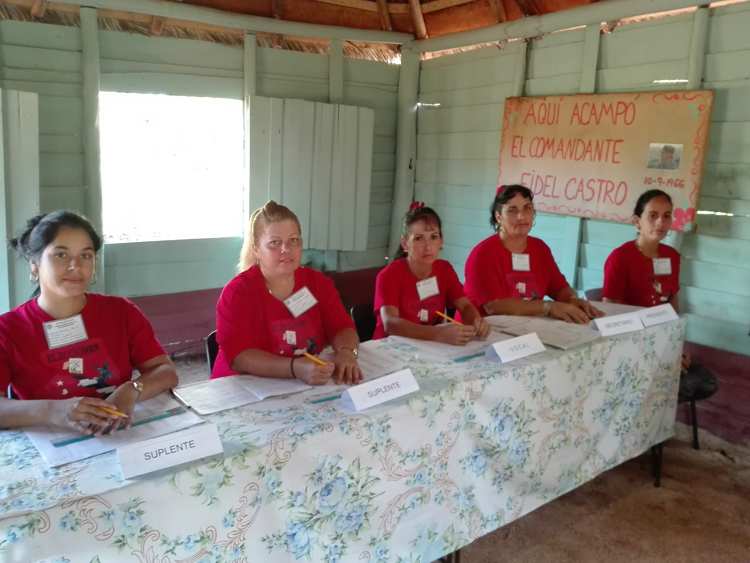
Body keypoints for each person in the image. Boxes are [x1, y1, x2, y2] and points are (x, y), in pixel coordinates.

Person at [0, 211, 178, 432]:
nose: (76, 266)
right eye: (61, 255)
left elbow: (166, 371)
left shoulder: (121, 312)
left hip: (118, 437)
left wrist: (132, 389)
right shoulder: (8, 329)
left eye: (86, 255)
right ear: (34, 265)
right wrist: (52, 411)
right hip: (52, 447)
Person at [213, 201, 361, 385]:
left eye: (293, 240)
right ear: (256, 249)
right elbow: (239, 357)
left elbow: (342, 327)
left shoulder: (317, 283)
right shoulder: (237, 293)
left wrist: (347, 352)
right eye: (274, 243)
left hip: (300, 384)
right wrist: (295, 368)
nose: (286, 249)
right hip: (243, 388)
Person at [602, 189, 717, 408]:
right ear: (637, 221)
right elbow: (612, 316)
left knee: (705, 382)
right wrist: (653, 353)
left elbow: (672, 302)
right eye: (653, 215)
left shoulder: (672, 256)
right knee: (661, 384)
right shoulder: (620, 258)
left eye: (666, 215)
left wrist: (675, 347)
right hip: (630, 345)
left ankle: (654, 421)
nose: (660, 222)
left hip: (662, 341)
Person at [464, 185, 602, 323]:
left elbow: (559, 287)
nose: (521, 216)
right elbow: (494, 306)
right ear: (498, 216)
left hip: (528, 329)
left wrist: (572, 300)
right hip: (482, 334)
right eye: (512, 210)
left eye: (527, 208)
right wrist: (549, 307)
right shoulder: (482, 254)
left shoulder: (540, 248)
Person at [373, 202, 490, 343]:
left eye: (433, 237)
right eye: (418, 238)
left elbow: (465, 305)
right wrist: (437, 334)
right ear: (405, 244)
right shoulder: (389, 275)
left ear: (441, 241)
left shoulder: (444, 269)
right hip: (391, 347)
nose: (428, 246)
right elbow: (391, 323)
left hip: (430, 346)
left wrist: (476, 321)